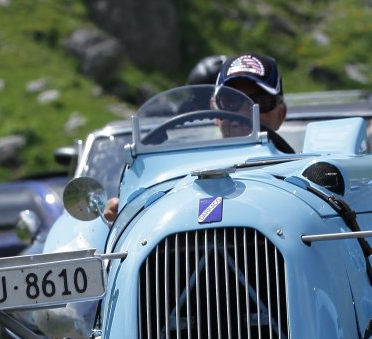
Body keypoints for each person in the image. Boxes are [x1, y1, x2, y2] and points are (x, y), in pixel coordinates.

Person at [103, 53, 289, 223]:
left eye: (260, 102)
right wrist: (127, 210)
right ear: (214, 109)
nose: (244, 112)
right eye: (230, 100)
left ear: (281, 114)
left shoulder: (293, 178)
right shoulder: (176, 174)